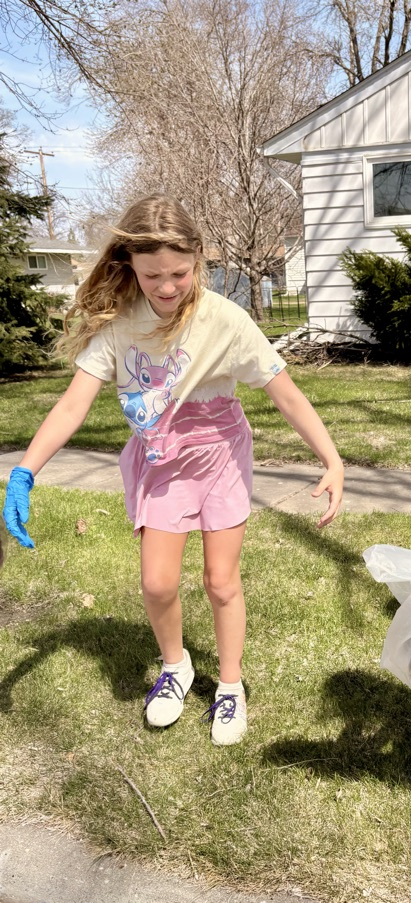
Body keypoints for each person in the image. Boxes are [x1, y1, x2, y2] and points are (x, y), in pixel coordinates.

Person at [1, 195, 344, 747]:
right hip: (160, 460)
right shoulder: (117, 326)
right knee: (157, 583)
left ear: (198, 261)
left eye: (179, 273)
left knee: (220, 581)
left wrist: (331, 458)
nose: (166, 287)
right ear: (129, 266)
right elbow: (71, 406)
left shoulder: (226, 320)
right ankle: (176, 665)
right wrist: (25, 472)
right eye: (152, 275)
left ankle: (229, 686)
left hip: (220, 456)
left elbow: (287, 394)